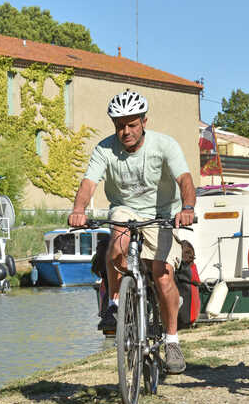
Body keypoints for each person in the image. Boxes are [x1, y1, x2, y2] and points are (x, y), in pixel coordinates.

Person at [68, 89, 196, 374]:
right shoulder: (104, 149)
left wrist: (187, 206)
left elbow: (185, 178)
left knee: (163, 275)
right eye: (119, 125)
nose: (125, 131)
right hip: (124, 209)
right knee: (118, 241)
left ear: (144, 122)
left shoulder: (164, 145)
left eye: (132, 124)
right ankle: (114, 304)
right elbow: (89, 183)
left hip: (161, 214)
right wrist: (79, 209)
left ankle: (172, 340)